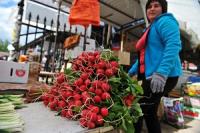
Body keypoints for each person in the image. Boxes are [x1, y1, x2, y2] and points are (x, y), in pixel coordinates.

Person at [128, 0, 182, 133]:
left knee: (137, 110)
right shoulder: (151, 28)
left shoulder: (165, 21)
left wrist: (162, 72)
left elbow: (173, 45)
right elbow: (145, 56)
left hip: (162, 76)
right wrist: (130, 72)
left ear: (163, 9)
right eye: (149, 7)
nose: (152, 9)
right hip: (150, 75)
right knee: (150, 113)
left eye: (156, 6)